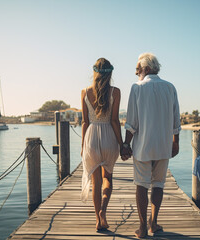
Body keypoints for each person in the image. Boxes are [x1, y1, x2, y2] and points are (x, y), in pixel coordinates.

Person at [121, 53, 181, 238]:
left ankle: (142, 228)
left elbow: (132, 122)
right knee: (158, 185)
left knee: (141, 185)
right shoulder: (170, 88)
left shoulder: (137, 88)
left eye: (138, 70)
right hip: (163, 146)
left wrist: (125, 144)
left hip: (143, 146)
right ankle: (153, 224)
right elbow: (176, 119)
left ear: (146, 69)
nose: (137, 73)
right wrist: (175, 142)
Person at [80, 58, 123, 232]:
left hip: (91, 138)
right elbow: (114, 120)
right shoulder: (116, 92)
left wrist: (83, 146)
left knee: (96, 181)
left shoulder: (84, 92)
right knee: (108, 179)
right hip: (109, 137)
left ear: (94, 72)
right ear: (110, 73)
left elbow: (84, 121)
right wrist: (122, 143)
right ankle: (103, 210)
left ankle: (98, 220)